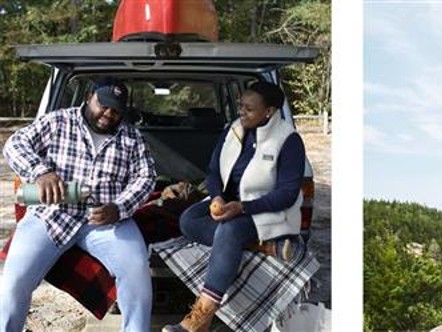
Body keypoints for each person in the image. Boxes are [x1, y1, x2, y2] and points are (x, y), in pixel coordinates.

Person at [0, 80, 156, 332]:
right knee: (14, 280)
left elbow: (146, 178)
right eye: (103, 106)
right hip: (51, 216)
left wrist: (119, 207)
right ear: (89, 96)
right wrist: (40, 173)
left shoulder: (131, 136)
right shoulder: (57, 121)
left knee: (137, 272)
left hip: (106, 221)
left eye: (116, 110)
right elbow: (15, 145)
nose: (108, 114)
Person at [163, 81, 307, 332]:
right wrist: (217, 197)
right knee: (188, 220)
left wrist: (242, 208)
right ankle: (263, 247)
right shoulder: (233, 130)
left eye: (249, 109)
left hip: (266, 214)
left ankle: (199, 318)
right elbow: (213, 172)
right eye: (240, 105)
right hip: (229, 209)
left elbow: (287, 194)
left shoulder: (288, 140)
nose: (241, 112)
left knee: (229, 232)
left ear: (269, 111)